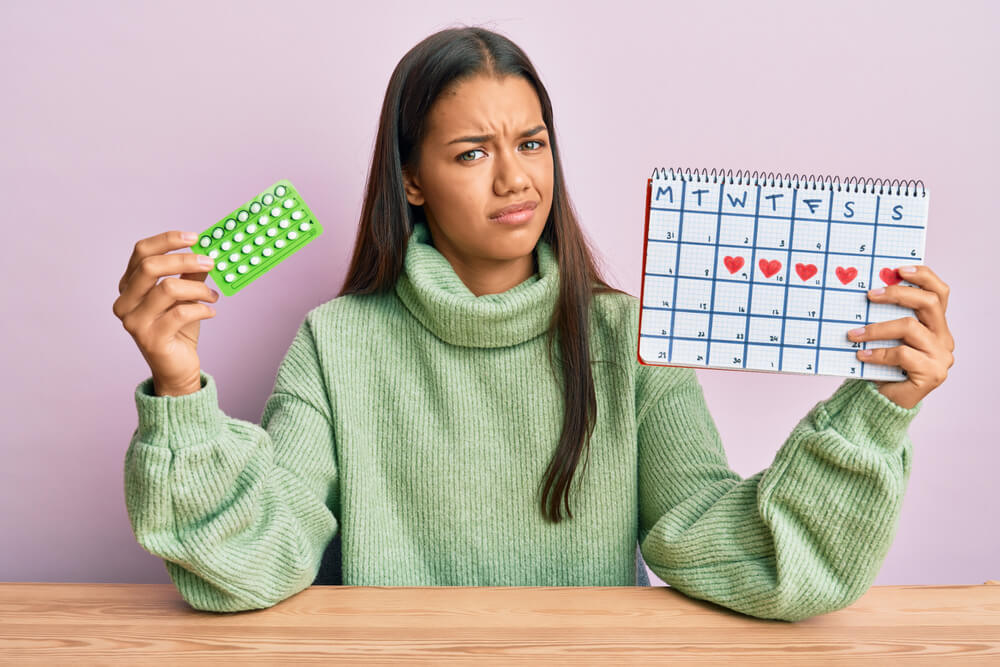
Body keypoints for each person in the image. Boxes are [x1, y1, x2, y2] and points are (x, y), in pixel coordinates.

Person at [112, 26, 955, 620]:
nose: (514, 178)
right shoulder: (337, 343)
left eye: (533, 142)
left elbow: (740, 553)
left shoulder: (627, 337)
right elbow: (262, 559)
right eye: (472, 152)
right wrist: (180, 385)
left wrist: (879, 410)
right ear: (411, 181)